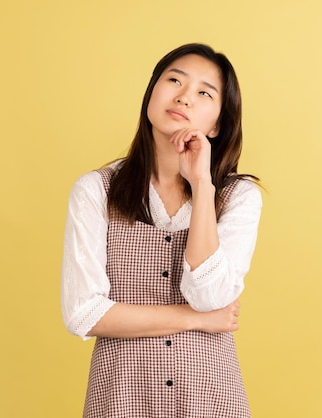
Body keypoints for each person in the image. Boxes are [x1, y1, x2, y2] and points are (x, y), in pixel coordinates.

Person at [61, 43, 262, 418]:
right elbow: (84, 314)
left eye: (204, 92)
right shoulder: (95, 190)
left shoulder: (238, 196)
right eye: (174, 80)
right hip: (120, 399)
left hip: (211, 398)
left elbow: (210, 295)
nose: (184, 97)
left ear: (218, 123)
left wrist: (202, 185)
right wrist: (197, 320)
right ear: (152, 91)